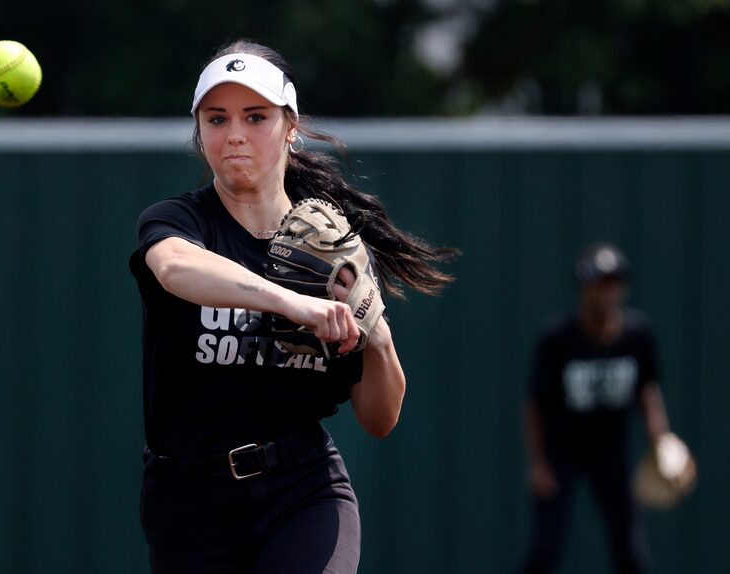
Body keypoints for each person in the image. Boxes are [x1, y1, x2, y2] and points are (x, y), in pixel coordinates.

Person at [129, 39, 456, 574]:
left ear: (290, 125)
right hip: (188, 503)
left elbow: (379, 418)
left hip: (302, 490)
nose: (234, 134)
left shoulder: (329, 248)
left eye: (255, 116)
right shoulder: (179, 222)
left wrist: (376, 333)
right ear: (200, 132)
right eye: (217, 119)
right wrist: (293, 303)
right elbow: (175, 269)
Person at [519, 243, 672, 574]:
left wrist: (662, 441)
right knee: (546, 548)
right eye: (600, 283)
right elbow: (535, 404)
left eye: (613, 283)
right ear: (584, 288)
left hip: (612, 450)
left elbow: (647, 392)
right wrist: (538, 462)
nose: (607, 292)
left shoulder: (637, 335)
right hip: (563, 451)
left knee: (630, 551)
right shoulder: (558, 340)